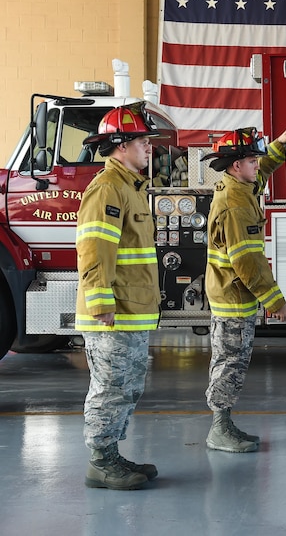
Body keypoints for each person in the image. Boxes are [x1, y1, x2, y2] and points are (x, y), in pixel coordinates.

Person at [76, 102, 163, 490]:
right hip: (114, 312)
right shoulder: (108, 188)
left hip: (132, 309)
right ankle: (100, 462)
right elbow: (95, 247)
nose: (150, 148)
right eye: (143, 142)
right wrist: (99, 300)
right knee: (110, 388)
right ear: (121, 145)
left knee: (126, 386)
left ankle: (110, 454)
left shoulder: (130, 188)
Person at [201, 127, 286, 453]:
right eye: (251, 159)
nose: (257, 163)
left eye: (256, 158)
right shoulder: (235, 203)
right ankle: (219, 429)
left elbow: (264, 170)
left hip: (233, 294)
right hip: (233, 297)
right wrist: (275, 301)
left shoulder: (241, 188)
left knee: (232, 361)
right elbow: (248, 262)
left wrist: (280, 146)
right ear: (235, 165)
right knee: (230, 363)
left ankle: (224, 424)